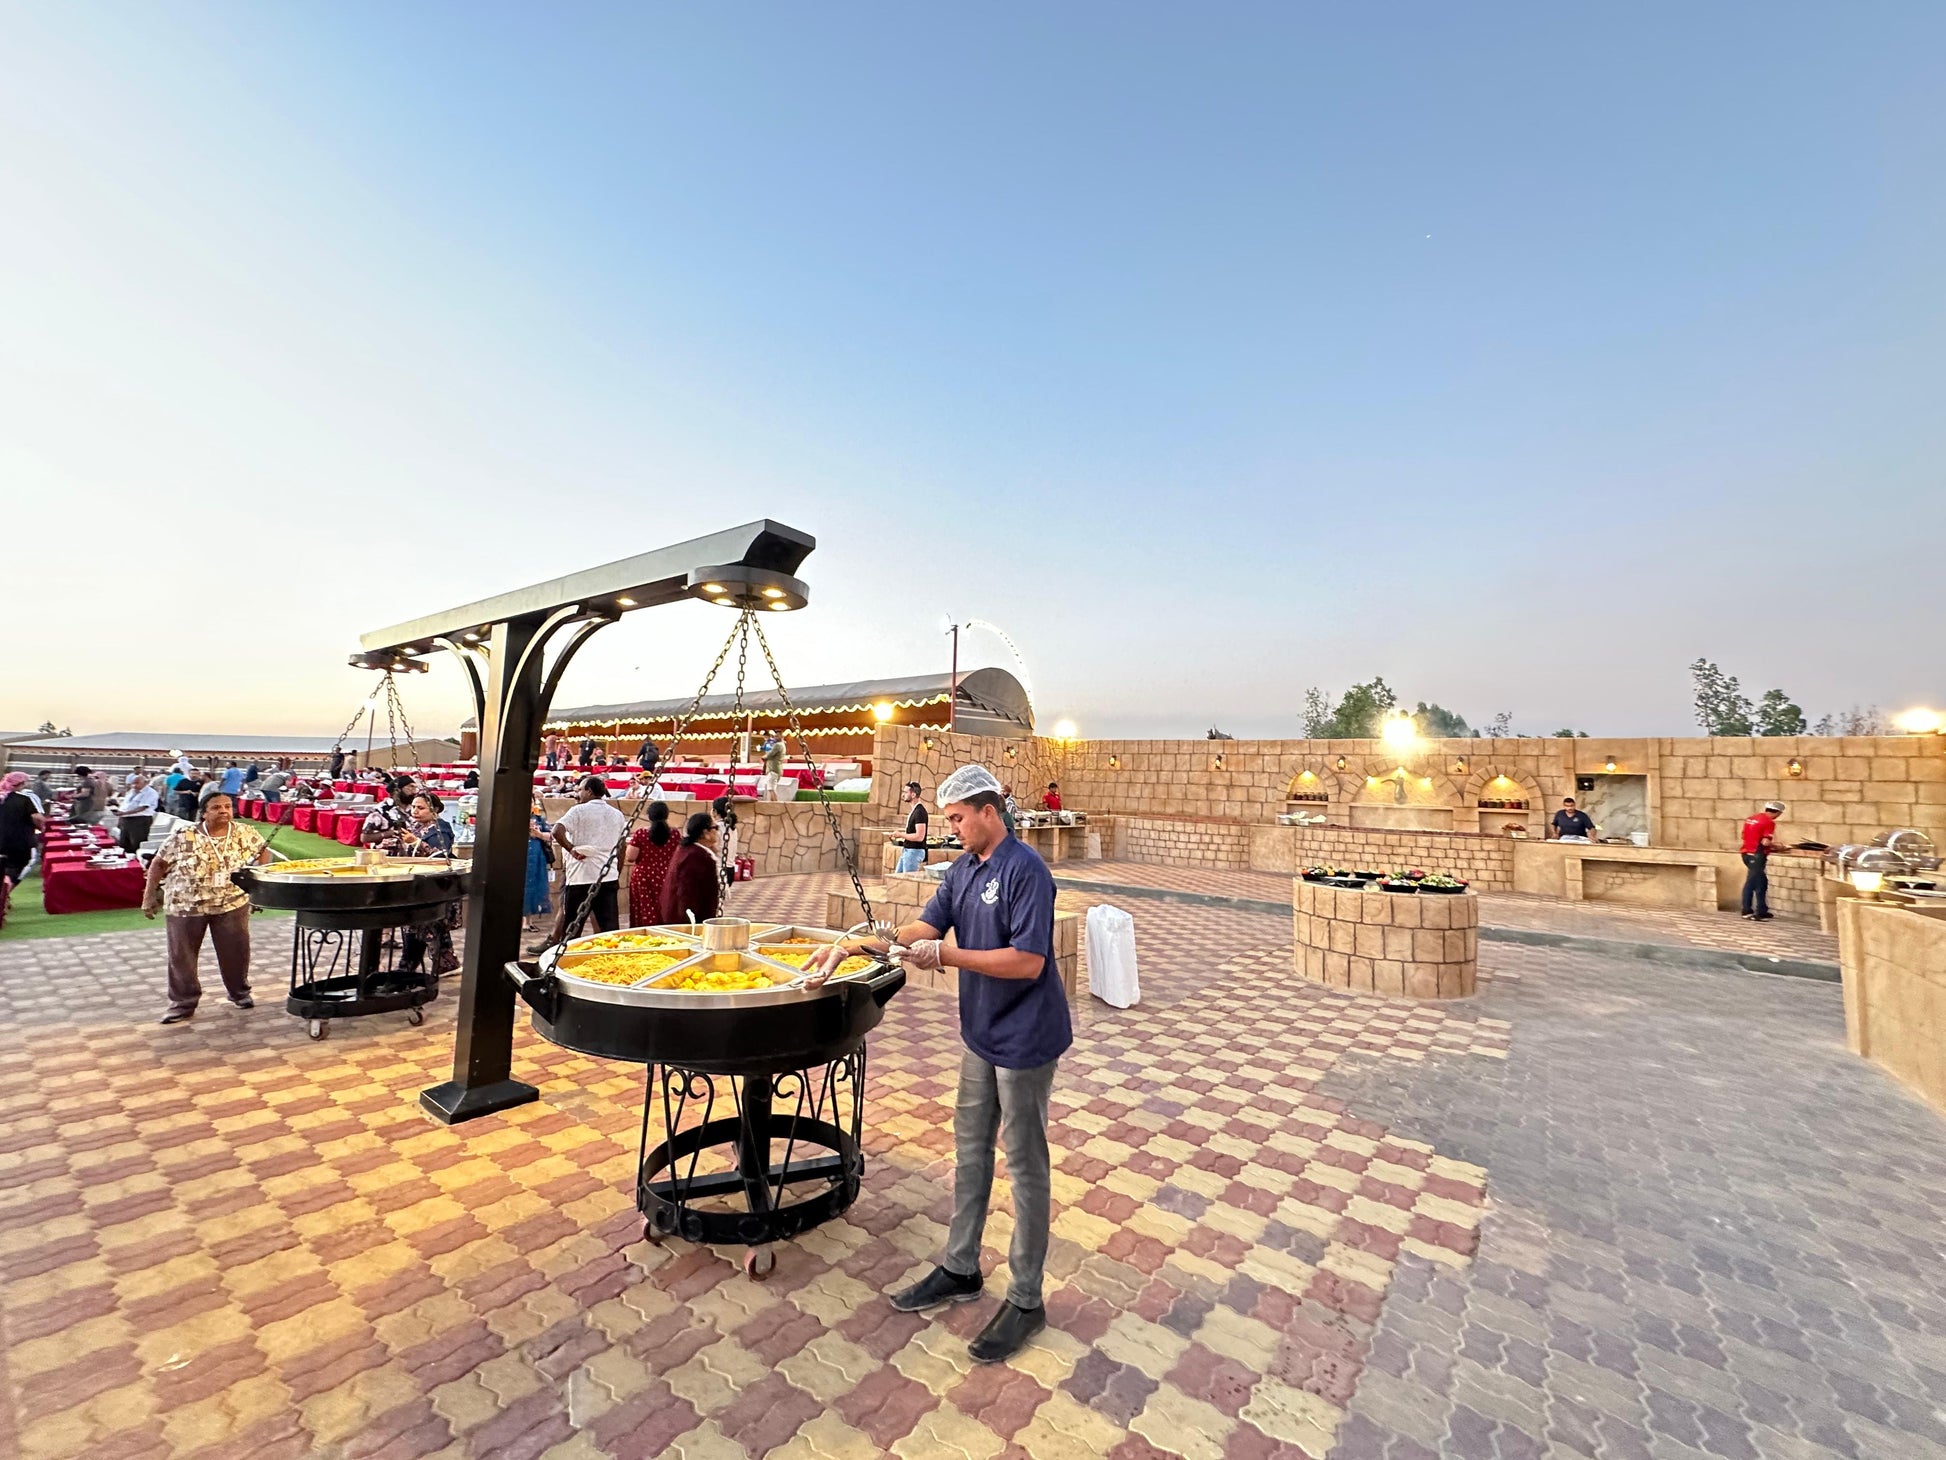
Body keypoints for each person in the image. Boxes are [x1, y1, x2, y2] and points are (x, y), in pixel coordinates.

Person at [834, 764, 1067, 1365]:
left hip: (1025, 1038)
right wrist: (864, 942)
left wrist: (947, 955)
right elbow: (925, 925)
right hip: (980, 1034)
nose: (953, 829)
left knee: (1025, 1164)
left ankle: (1026, 1298)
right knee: (970, 1152)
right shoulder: (963, 869)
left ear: (989, 811)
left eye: (959, 819)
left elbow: (1028, 962)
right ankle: (961, 1266)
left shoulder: (1025, 870)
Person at [142, 791, 270, 1024]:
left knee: (236, 952)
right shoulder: (184, 835)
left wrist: (257, 881)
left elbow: (263, 851)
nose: (223, 811)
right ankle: (183, 1004)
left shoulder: (245, 832)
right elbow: (158, 864)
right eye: (216, 807)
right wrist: (149, 896)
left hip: (231, 903)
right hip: (185, 905)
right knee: (182, 956)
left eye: (227, 806)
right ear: (204, 813)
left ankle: (239, 993)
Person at [384, 793, 460, 974]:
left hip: (435, 887)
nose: (415, 811)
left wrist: (416, 843)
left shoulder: (441, 829)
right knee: (433, 928)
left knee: (420, 925)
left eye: (420, 808)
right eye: (413, 807)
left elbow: (440, 856)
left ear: (435, 810)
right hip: (417, 885)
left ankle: (407, 967)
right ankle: (446, 963)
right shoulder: (416, 826)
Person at [554, 776, 627, 934]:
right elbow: (622, 847)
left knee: (572, 929)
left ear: (589, 791)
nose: (578, 793)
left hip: (579, 878)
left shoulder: (578, 810)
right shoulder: (617, 814)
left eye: (580, 790)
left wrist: (571, 849)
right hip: (607, 878)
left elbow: (556, 831)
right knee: (609, 930)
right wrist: (616, 873)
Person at [660, 812, 722, 923]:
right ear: (705, 833)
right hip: (688, 920)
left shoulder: (690, 851)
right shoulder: (695, 857)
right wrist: (691, 923)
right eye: (715, 828)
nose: (717, 832)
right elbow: (686, 893)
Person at [626, 801, 679, 925]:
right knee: (664, 904)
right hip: (666, 874)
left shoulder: (641, 834)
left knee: (644, 906)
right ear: (666, 815)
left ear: (649, 816)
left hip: (644, 876)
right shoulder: (675, 834)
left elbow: (630, 857)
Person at [1739, 800, 1785, 921]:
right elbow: (1765, 842)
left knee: (1761, 882)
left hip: (1746, 853)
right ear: (1778, 812)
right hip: (1757, 855)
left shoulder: (1751, 818)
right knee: (1751, 883)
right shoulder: (1769, 822)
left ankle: (1762, 909)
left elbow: (1744, 836)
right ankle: (1748, 911)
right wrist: (1778, 847)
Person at [0, 771, 44, 889]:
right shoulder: (24, 800)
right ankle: (7, 887)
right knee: (21, 865)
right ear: (22, 783)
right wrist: (41, 827)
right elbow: (37, 818)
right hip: (19, 841)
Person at [524, 797, 555, 931]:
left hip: (537, 857)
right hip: (522, 856)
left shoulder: (539, 819)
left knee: (534, 886)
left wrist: (539, 834)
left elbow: (551, 835)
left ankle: (528, 920)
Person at [116, 774, 160, 853]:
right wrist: (121, 815)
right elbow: (125, 804)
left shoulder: (150, 793)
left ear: (145, 783)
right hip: (126, 819)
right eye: (133, 783)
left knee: (136, 843)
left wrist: (124, 813)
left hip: (139, 820)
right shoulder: (131, 791)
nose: (134, 785)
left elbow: (142, 807)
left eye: (137, 783)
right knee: (124, 843)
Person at [896, 781, 930, 874]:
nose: (903, 795)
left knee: (907, 880)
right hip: (907, 851)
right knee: (897, 878)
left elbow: (919, 837)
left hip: (914, 852)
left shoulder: (920, 812)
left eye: (906, 792)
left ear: (913, 795)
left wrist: (900, 835)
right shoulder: (915, 811)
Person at [711, 793, 740, 893]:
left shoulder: (717, 827)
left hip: (720, 868)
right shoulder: (732, 827)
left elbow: (715, 847)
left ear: (715, 811)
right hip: (731, 869)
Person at [758, 734, 786, 800]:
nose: (775, 738)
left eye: (777, 736)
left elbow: (770, 754)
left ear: (781, 737)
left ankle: (775, 804)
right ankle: (773, 803)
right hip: (777, 769)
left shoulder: (777, 745)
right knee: (772, 788)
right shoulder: (782, 745)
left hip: (773, 769)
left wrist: (763, 757)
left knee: (771, 789)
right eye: (774, 736)